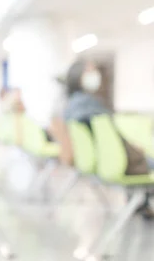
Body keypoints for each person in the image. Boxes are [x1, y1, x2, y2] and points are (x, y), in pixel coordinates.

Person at [63, 59, 154, 219]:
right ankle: (142, 204)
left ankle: (140, 204)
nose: (95, 76)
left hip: (103, 163)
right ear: (78, 76)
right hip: (115, 162)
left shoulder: (71, 105)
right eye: (89, 72)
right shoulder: (90, 105)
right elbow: (111, 138)